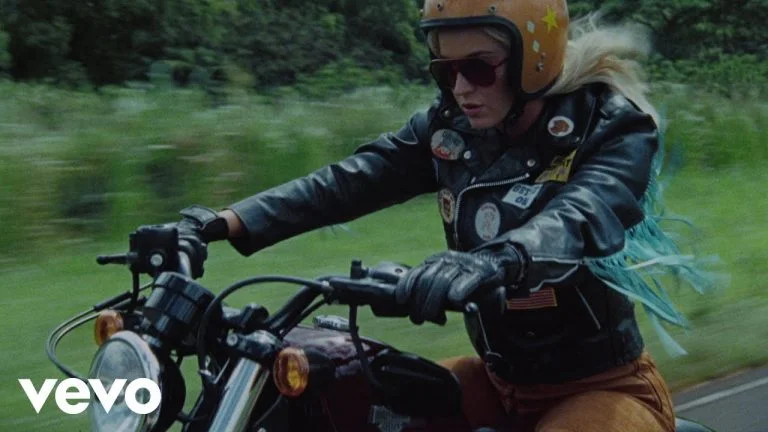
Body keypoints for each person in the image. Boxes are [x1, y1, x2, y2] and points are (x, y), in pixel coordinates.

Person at [173, 1, 714, 431]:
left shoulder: (611, 128)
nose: (460, 87)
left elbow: (583, 215)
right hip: (495, 382)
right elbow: (351, 180)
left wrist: (498, 259)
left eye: (477, 68)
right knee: (348, 404)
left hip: (601, 388)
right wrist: (223, 221)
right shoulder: (450, 128)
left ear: (533, 58)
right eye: (446, 69)